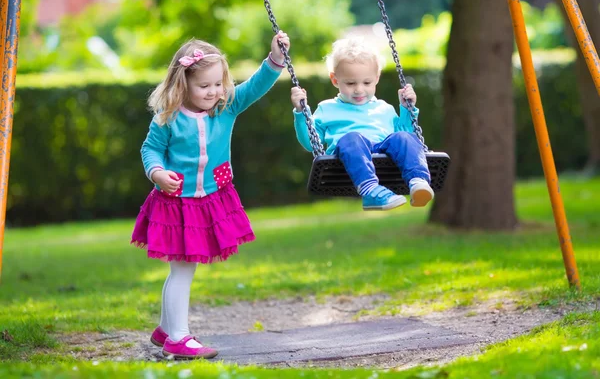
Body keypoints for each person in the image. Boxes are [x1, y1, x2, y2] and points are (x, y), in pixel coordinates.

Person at [131, 32, 290, 359]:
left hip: (211, 199)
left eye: (218, 83)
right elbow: (151, 150)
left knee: (180, 270)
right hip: (177, 205)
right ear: (182, 84)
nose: (214, 91)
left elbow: (256, 85)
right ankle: (178, 337)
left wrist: (275, 58)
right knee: (182, 271)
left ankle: (165, 329)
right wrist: (157, 173)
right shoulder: (168, 116)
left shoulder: (226, 107)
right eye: (204, 86)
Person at [291, 37, 434, 211]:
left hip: (383, 155)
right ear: (335, 80)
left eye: (366, 82)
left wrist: (407, 109)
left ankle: (418, 181)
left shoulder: (385, 108)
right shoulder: (326, 108)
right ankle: (371, 190)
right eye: (350, 83)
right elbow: (311, 143)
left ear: (376, 78)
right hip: (348, 156)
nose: (359, 89)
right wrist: (301, 112)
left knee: (405, 137)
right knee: (352, 138)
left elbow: (404, 136)